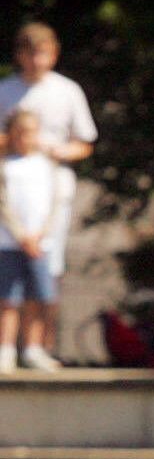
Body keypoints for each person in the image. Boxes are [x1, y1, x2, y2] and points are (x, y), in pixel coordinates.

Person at [0, 23, 97, 370]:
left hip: (51, 196)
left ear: (53, 54)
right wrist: (17, 142)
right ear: (19, 55)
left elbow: (84, 143)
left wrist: (54, 150)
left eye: (43, 52)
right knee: (8, 281)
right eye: (30, 53)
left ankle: (40, 346)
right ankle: (8, 347)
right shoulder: (6, 90)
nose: (37, 60)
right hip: (11, 200)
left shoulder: (67, 91)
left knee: (46, 276)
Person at [0, 109, 67, 372]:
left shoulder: (47, 166)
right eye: (20, 133)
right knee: (8, 299)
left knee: (38, 299)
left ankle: (33, 349)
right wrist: (21, 235)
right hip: (9, 243)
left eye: (31, 132)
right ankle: (5, 349)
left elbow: (54, 203)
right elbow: (3, 203)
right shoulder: (5, 164)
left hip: (41, 245)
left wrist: (41, 234)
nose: (26, 138)